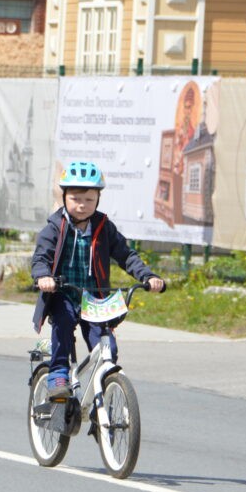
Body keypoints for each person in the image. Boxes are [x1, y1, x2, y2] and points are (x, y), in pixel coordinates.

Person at [30, 161, 166, 399]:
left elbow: (126, 255)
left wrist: (149, 276)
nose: (82, 205)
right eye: (75, 198)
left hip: (94, 299)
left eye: (89, 200)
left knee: (107, 349)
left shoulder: (103, 228)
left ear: (98, 200)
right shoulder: (54, 228)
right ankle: (59, 372)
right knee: (62, 324)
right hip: (63, 294)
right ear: (64, 197)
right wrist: (43, 276)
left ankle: (100, 391)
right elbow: (41, 257)